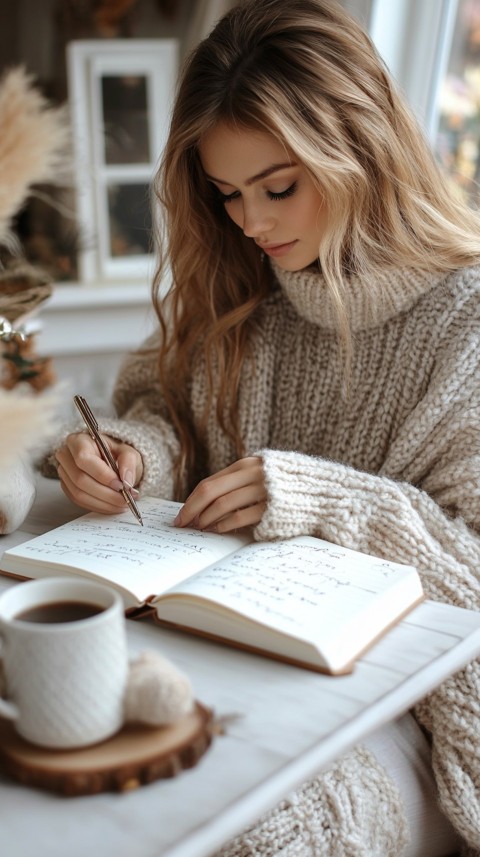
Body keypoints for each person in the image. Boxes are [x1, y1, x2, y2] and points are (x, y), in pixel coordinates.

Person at [48, 0, 480, 853]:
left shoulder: (464, 324)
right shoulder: (239, 290)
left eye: (278, 187)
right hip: (217, 645)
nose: (250, 221)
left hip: (393, 696)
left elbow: (470, 573)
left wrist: (319, 496)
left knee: (253, 826)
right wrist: (139, 456)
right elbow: (170, 414)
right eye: (227, 193)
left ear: (360, 149)